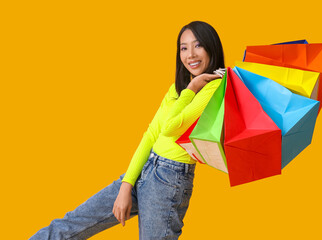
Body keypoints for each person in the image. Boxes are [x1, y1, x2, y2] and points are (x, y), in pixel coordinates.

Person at [29, 20, 225, 240]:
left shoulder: (214, 89)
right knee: (69, 226)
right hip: (147, 167)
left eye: (198, 45)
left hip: (170, 179)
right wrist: (127, 184)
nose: (190, 54)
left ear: (211, 47)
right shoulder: (177, 89)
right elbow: (151, 134)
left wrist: (192, 88)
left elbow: (171, 129)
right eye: (184, 47)